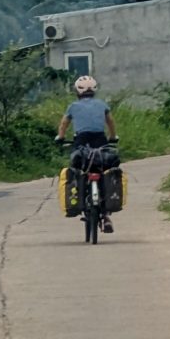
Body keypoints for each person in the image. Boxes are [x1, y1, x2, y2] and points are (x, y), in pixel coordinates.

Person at [56, 75, 118, 232]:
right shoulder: (102, 104)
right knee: (104, 169)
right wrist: (113, 137)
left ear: (77, 91)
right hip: (100, 140)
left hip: (81, 141)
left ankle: (80, 198)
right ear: (94, 90)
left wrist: (61, 137)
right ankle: (105, 215)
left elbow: (64, 123)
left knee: (79, 170)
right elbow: (110, 121)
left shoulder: (73, 106)